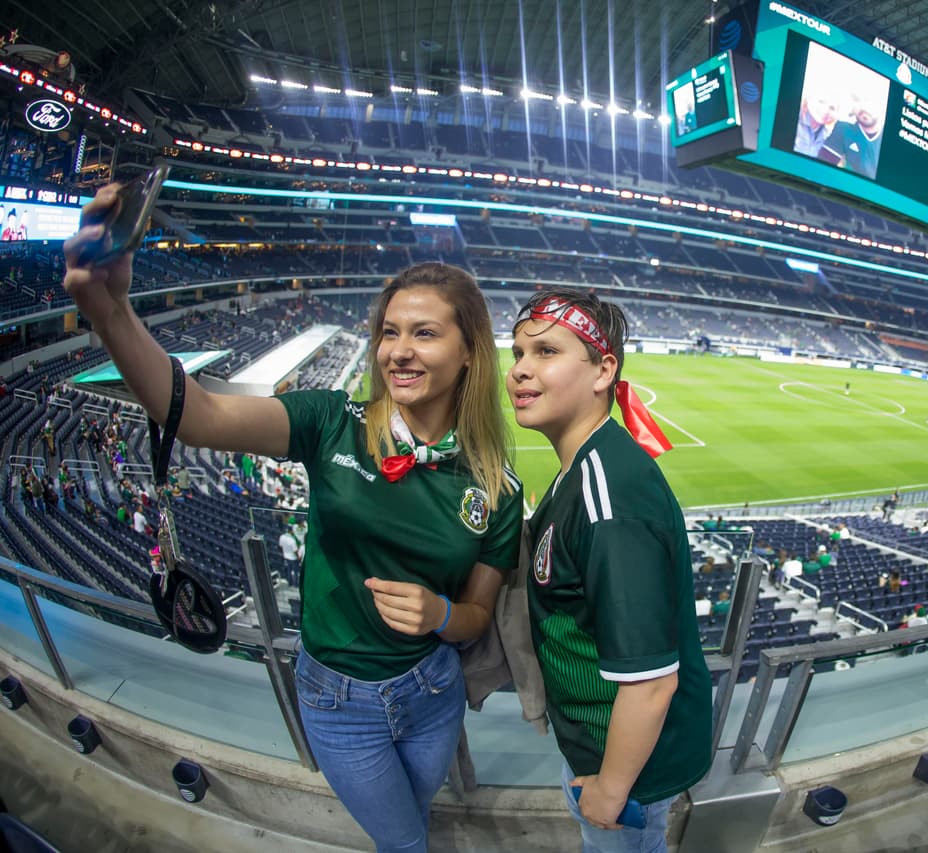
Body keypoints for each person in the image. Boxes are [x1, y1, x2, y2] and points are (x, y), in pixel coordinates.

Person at [63, 192, 522, 853]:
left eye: (424, 333)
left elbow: (477, 615)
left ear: (470, 350)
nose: (399, 351)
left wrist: (440, 614)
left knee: (414, 820)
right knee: (403, 842)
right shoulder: (331, 421)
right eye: (389, 332)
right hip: (337, 701)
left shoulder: (496, 488)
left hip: (433, 691)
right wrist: (111, 312)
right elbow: (199, 417)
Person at [507, 289, 712, 852]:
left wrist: (611, 789)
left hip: (625, 773)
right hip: (605, 756)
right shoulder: (583, 469)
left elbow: (651, 682)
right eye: (518, 353)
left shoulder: (609, 495)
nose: (520, 369)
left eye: (546, 352)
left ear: (603, 371)